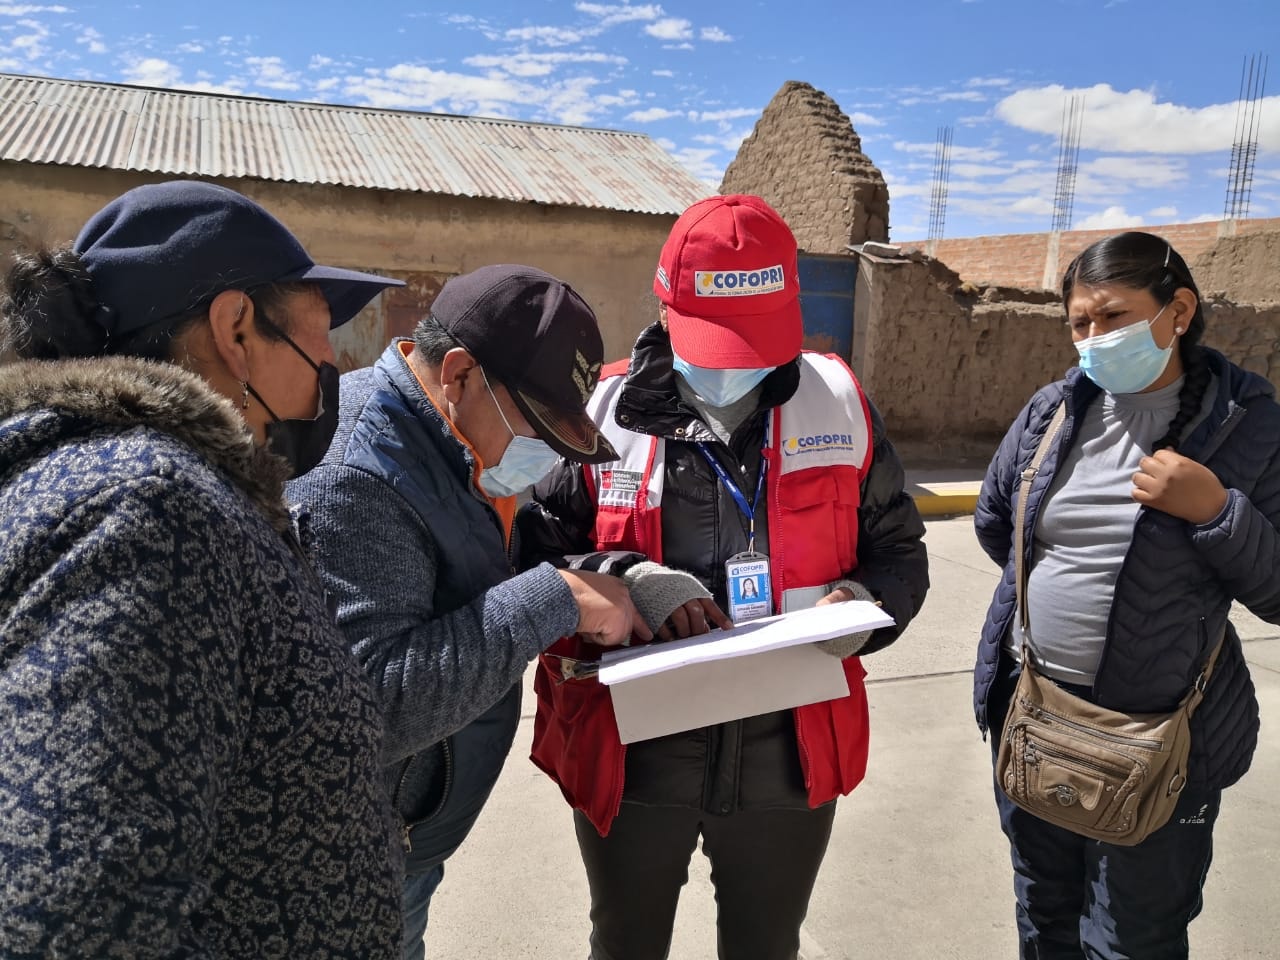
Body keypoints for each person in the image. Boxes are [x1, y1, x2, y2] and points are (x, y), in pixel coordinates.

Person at [517, 194, 930, 960]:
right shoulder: (598, 413)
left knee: (767, 946)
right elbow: (530, 557)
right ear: (666, 307)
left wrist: (868, 605)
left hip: (788, 756)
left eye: (753, 344)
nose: (733, 368)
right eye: (714, 343)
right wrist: (626, 576)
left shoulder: (838, 403)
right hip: (635, 755)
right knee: (625, 944)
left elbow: (900, 552)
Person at [0, 180, 406, 957]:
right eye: (324, 334)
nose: (333, 364)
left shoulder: (156, 490)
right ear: (236, 327)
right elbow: (74, 926)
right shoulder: (151, 511)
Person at [283, 263, 652, 959]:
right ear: (457, 374)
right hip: (359, 860)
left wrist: (620, 572)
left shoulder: (447, 443)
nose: (543, 458)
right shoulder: (359, 478)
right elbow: (372, 707)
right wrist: (559, 599)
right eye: (537, 427)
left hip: (407, 838)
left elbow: (486, 561)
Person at [973, 231, 1280, 959]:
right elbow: (997, 526)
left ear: (1177, 310)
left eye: (1111, 317)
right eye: (1079, 323)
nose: (1093, 338)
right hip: (1036, 717)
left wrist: (1217, 513)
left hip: (1159, 744)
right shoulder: (1053, 411)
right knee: (1044, 915)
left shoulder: (1251, 424)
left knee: (1131, 940)